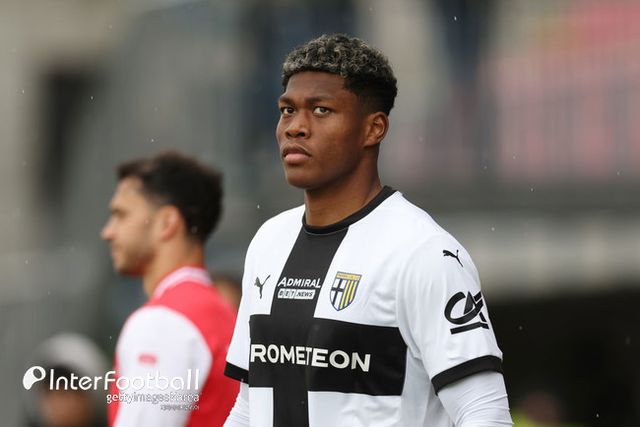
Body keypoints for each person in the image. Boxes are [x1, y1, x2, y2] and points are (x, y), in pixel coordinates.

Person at [223, 34, 512, 426]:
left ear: (374, 128)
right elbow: (248, 406)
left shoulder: (423, 252)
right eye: (287, 110)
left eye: (321, 110)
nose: (295, 127)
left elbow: (484, 411)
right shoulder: (269, 242)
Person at [101, 151, 238, 426]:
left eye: (121, 215)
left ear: (167, 223)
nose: (108, 232)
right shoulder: (225, 314)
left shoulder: (162, 322)